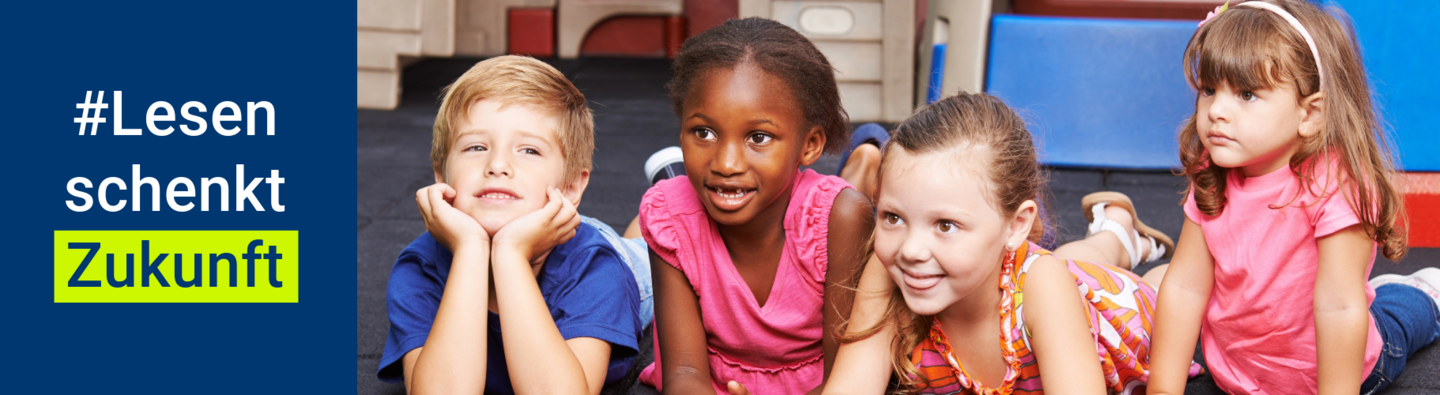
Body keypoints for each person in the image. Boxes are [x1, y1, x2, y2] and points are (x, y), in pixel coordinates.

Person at [1146, 1, 1437, 394]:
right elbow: (1186, 286)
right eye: (1209, 90)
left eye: (1247, 94)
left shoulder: (1336, 185)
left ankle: (1423, 291)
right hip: (1237, 372)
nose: (1217, 110)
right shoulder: (1212, 169)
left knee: (1399, 316)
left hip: (1334, 375)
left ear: (1310, 114)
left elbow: (1339, 308)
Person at [822, 92, 1200, 395]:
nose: (910, 250)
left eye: (946, 225)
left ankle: (1120, 238)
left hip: (1120, 311)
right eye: (893, 218)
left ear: (1017, 225)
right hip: (1039, 276)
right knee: (1064, 262)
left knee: (1122, 281)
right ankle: (1115, 230)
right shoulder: (889, 272)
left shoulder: (1044, 286)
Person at [376, 55, 647, 395]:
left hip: (605, 252)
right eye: (476, 146)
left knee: (656, 253)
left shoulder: (596, 267)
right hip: (537, 220)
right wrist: (472, 250)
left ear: (571, 188)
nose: (498, 164)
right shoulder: (420, 269)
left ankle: (667, 201)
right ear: (442, 176)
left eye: (529, 150)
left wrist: (509, 255)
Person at [636, 17, 876, 395]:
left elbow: (846, 378)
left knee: (853, 200)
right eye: (704, 133)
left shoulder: (841, 220)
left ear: (810, 144)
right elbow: (683, 372)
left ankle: (865, 162)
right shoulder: (670, 219)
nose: (726, 163)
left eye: (758, 137)